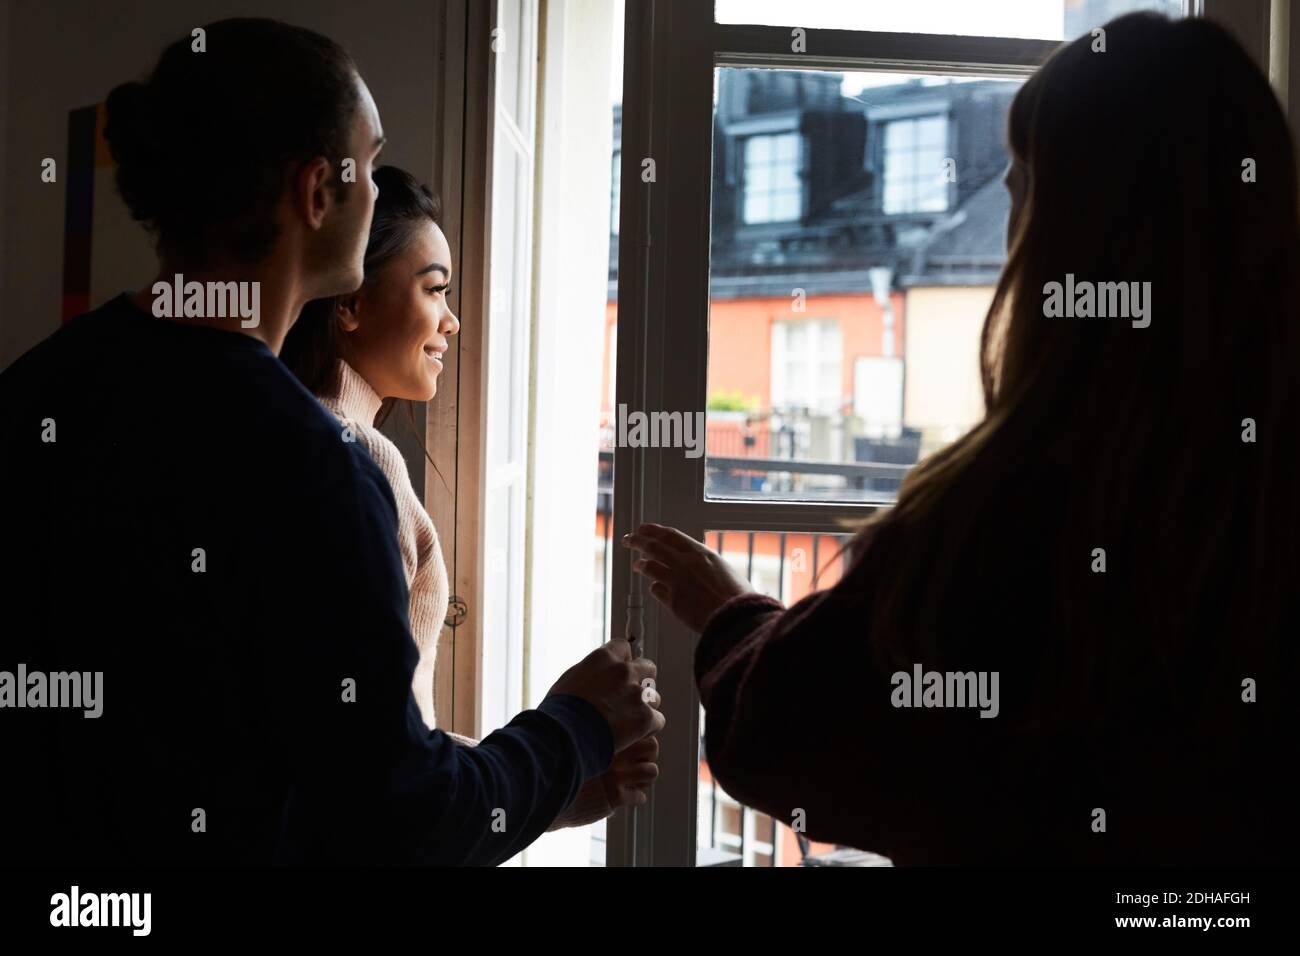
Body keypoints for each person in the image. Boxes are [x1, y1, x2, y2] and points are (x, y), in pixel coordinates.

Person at [625, 12, 1300, 864]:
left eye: (1022, 186)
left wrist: (730, 615)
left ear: (1068, 235)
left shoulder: (1013, 511)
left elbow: (791, 739)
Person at [0, 18, 662, 866]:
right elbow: (395, 816)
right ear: (316, 194)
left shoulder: (37, 388)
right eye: (369, 165)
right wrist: (575, 727)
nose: (382, 193)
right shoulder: (311, 465)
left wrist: (535, 790)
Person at [280, 164, 658, 826]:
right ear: (350, 303)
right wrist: (570, 737)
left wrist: (553, 795)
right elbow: (382, 787)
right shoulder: (359, 462)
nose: (451, 321)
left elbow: (380, 750)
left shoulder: (288, 428)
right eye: (434, 290)